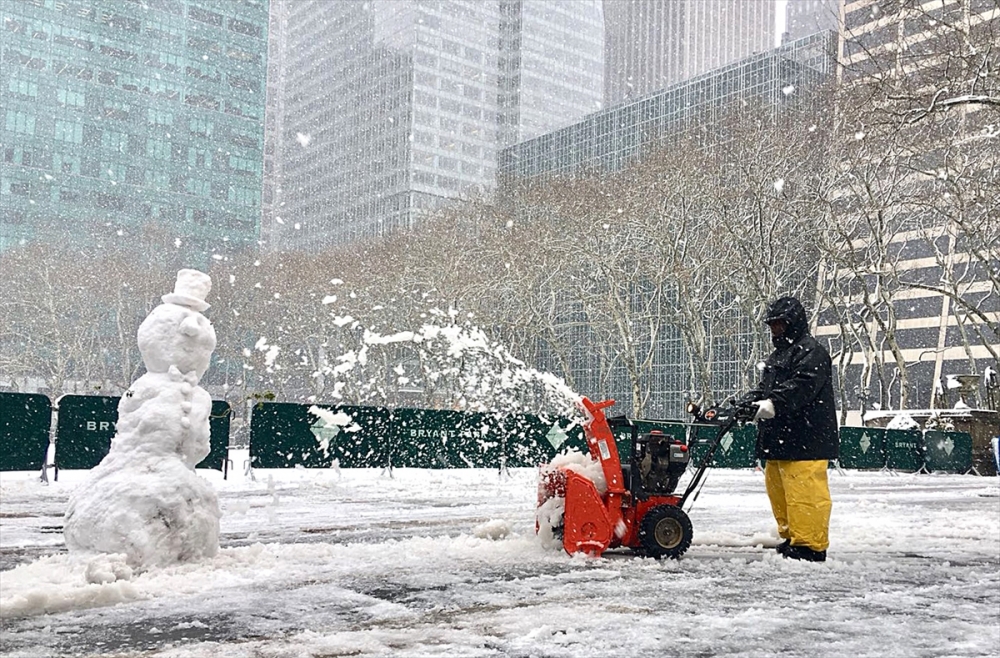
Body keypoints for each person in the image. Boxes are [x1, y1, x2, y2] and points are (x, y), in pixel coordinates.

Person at [740, 296, 839, 562]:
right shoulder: (778, 356)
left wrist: (772, 404)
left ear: (793, 323)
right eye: (772, 325)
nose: (775, 330)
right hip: (781, 439)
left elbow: (802, 387)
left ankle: (811, 545)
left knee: (805, 494)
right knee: (781, 491)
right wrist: (750, 401)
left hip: (806, 438)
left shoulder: (812, 352)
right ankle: (793, 535)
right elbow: (768, 388)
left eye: (779, 324)